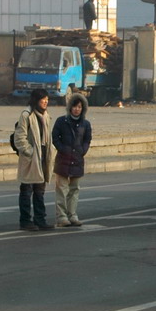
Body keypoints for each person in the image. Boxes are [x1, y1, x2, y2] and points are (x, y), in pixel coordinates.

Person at [14, 89, 55, 231]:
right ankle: (25, 221)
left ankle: (40, 219)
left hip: (43, 156)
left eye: (47, 100)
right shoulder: (27, 115)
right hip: (31, 157)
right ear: (35, 100)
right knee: (26, 189)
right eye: (43, 99)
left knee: (40, 190)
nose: (45, 102)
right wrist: (29, 151)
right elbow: (19, 138)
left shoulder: (46, 115)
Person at [52, 94, 93, 227]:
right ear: (70, 107)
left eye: (80, 107)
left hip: (77, 160)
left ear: (83, 109)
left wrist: (83, 150)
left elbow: (87, 139)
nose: (77, 109)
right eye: (75, 106)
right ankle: (62, 217)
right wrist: (62, 149)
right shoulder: (61, 121)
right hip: (63, 160)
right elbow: (55, 137)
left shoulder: (85, 124)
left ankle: (72, 215)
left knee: (74, 189)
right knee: (61, 190)